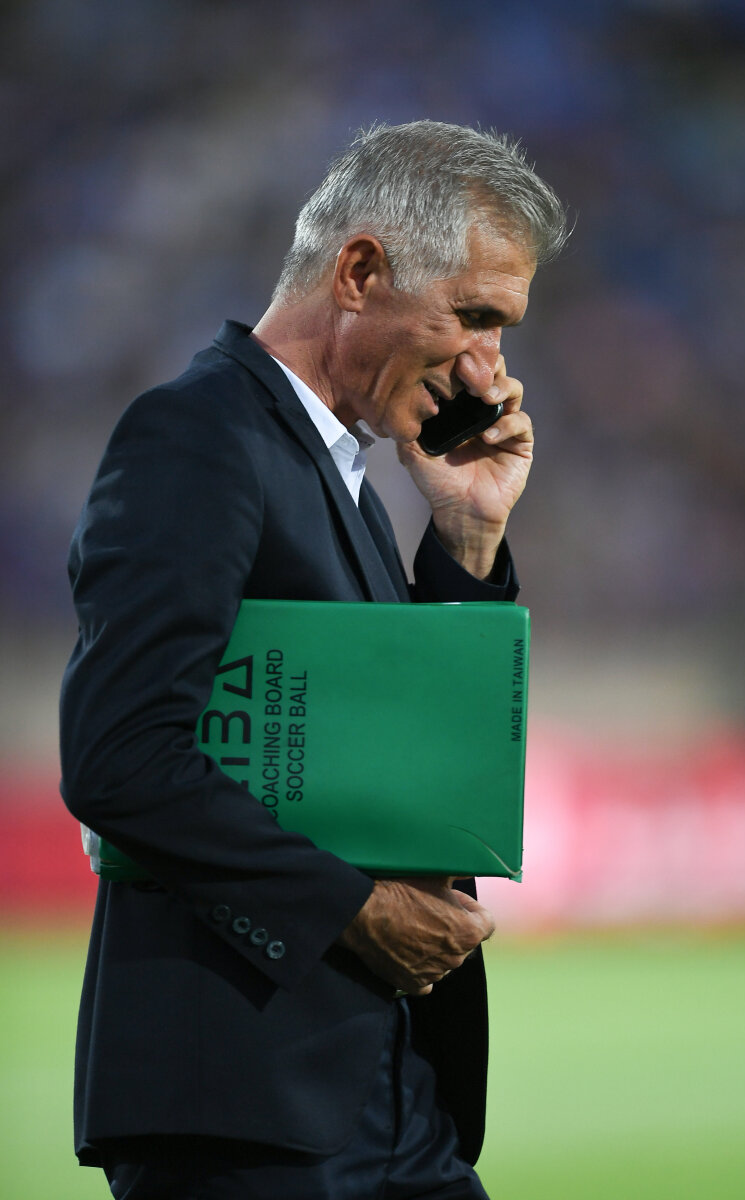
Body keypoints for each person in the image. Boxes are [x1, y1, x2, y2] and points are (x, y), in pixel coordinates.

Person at [60, 120, 567, 1199]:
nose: (487, 367)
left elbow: (412, 763)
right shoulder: (196, 437)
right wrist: (356, 909)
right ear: (360, 271)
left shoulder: (332, 472)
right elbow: (121, 757)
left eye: (501, 329)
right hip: (242, 1116)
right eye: (473, 317)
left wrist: (466, 537)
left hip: (388, 1099)